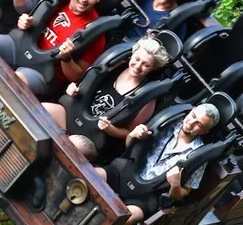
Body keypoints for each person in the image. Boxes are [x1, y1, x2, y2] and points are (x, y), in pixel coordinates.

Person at [94, 103, 220, 225]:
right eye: (193, 116)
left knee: (126, 218)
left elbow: (181, 195)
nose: (191, 123)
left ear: (204, 132)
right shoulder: (166, 123)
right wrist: (132, 136)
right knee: (94, 176)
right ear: (191, 111)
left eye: (199, 125)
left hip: (149, 194)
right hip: (127, 172)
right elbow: (129, 147)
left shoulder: (198, 156)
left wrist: (175, 184)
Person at [42, 37, 170, 159]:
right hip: (75, 116)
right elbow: (86, 84)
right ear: (132, 54)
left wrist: (110, 129)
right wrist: (74, 88)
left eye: (145, 65)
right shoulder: (115, 66)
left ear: (152, 68)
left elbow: (129, 133)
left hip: (94, 137)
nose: (138, 66)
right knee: (43, 110)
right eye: (137, 59)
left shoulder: (147, 96)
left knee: (71, 145)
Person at [0, 0, 106, 96]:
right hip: (20, 47)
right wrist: (24, 21)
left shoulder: (95, 33)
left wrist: (66, 58)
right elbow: (28, 16)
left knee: (15, 80)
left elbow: (75, 77)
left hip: (44, 72)